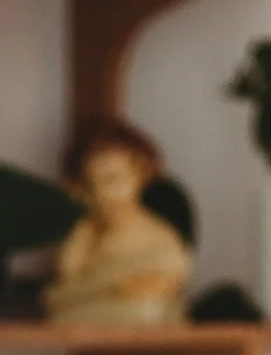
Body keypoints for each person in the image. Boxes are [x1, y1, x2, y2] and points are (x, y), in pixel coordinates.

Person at [46, 111, 194, 326]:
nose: (103, 193)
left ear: (140, 176)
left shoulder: (160, 241)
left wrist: (100, 289)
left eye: (113, 179)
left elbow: (159, 285)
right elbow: (61, 289)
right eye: (91, 185)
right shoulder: (86, 235)